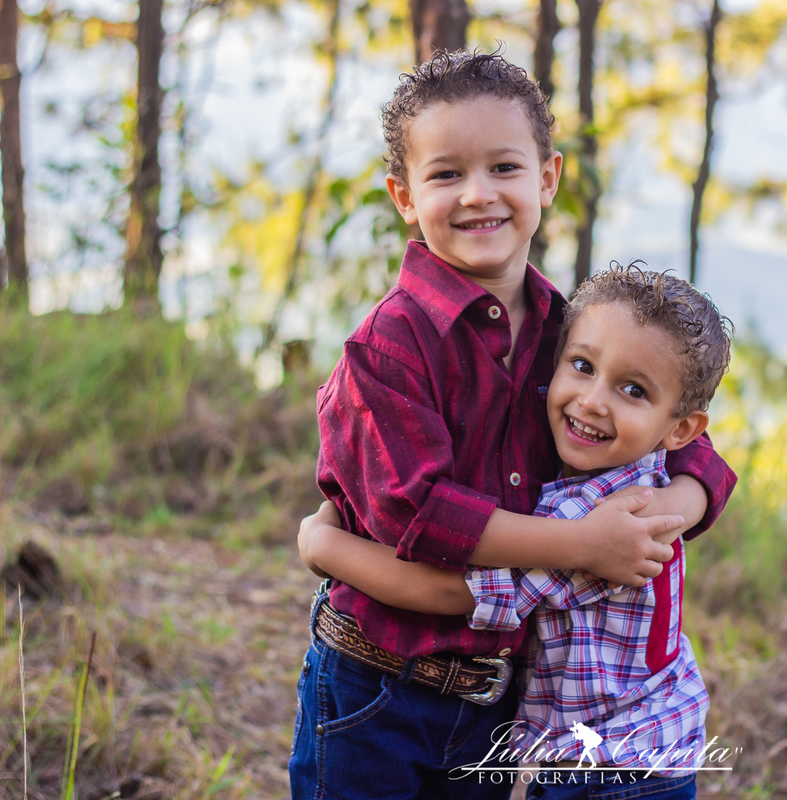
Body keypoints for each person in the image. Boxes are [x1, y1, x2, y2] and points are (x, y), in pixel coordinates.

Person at [288, 50, 736, 800]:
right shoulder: (390, 349)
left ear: (547, 178)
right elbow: (422, 518)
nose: (478, 194)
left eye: (504, 167)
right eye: (445, 174)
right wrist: (585, 543)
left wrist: (663, 514)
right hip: (376, 686)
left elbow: (688, 446)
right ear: (404, 196)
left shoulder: (572, 332)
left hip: (495, 699)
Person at [300, 266, 734, 800]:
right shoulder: (639, 473)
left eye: (632, 389)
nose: (593, 401)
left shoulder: (596, 516)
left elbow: (452, 593)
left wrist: (324, 546)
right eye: (582, 367)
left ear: (680, 429)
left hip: (608, 767)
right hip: (639, 747)